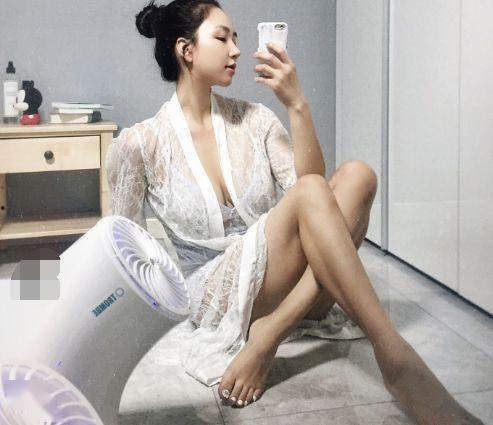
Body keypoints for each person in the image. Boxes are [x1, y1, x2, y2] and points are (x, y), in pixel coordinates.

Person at [106, 1, 483, 423]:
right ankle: (396, 358)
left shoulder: (256, 119)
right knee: (311, 192)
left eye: (236, 38)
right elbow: (125, 249)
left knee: (357, 175)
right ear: (186, 49)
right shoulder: (139, 144)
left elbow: (310, 186)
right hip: (218, 294)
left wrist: (297, 103)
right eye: (222, 37)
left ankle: (272, 331)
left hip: (283, 279)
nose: (236, 49)